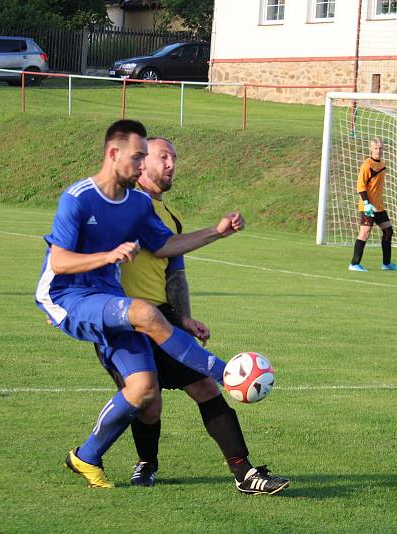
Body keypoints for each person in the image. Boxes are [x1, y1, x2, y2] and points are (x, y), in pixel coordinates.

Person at [35, 119, 245, 489]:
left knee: (144, 389)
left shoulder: (137, 204)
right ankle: (224, 371)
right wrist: (108, 255)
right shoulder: (78, 198)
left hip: (109, 298)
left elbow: (164, 247)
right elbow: (60, 263)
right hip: (66, 297)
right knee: (145, 312)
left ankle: (85, 457)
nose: (142, 164)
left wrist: (217, 232)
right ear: (113, 154)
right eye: (138, 157)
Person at [111, 136, 289, 494]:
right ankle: (145, 462)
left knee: (205, 387)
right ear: (142, 163)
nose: (172, 163)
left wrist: (185, 318)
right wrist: (216, 232)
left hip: (160, 317)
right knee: (148, 402)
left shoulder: (171, 216)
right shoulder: (126, 204)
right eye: (164, 157)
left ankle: (245, 473)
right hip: (124, 317)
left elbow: (174, 270)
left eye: (174, 157)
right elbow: (160, 247)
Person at [348, 137, 397, 272]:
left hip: (378, 206)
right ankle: (354, 264)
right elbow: (360, 186)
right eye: (376, 148)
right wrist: (366, 203)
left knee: (388, 231)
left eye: (381, 148)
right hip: (367, 206)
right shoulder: (367, 165)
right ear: (371, 149)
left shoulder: (382, 164)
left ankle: (387, 264)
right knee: (365, 232)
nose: (379, 151)